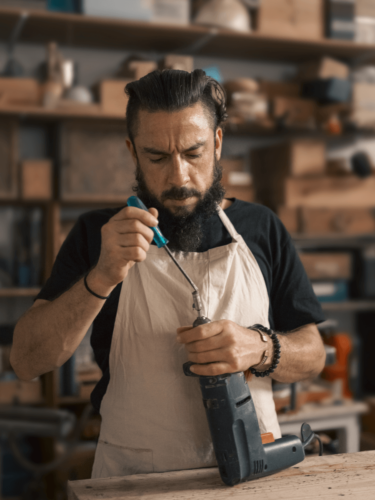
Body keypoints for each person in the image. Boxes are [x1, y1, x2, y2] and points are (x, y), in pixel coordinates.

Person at [11, 69, 326, 478]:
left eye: (193, 153)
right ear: (133, 151)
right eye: (157, 157)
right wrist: (103, 275)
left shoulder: (261, 228)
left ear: (217, 142)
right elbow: (26, 361)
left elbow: (314, 354)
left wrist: (261, 349)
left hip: (254, 471)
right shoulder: (97, 235)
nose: (178, 177)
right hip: (136, 478)